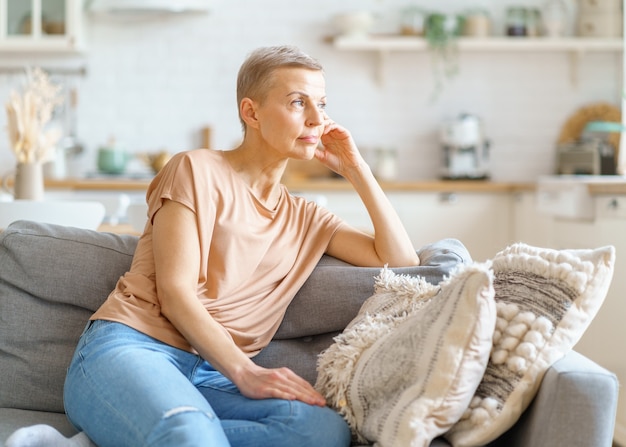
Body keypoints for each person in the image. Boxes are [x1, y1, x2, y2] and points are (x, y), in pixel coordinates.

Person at [7, 45, 420, 447]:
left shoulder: (307, 217)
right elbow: (175, 293)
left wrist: (357, 169)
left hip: (208, 377)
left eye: (322, 104)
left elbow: (401, 262)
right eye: (298, 103)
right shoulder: (195, 170)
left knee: (320, 431)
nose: (317, 119)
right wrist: (246, 372)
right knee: (190, 436)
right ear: (251, 112)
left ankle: (116, 437)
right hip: (135, 350)